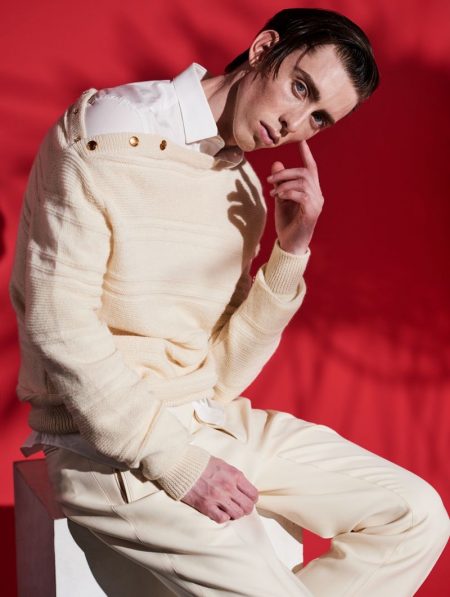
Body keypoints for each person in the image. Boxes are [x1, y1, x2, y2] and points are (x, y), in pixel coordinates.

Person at [9, 7, 449, 596]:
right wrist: (178, 464)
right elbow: (59, 326)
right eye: (300, 87)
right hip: (108, 450)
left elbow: (222, 373)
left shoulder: (244, 189)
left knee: (415, 515)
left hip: (209, 420)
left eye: (319, 118)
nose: (295, 123)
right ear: (263, 48)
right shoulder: (106, 129)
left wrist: (290, 251)